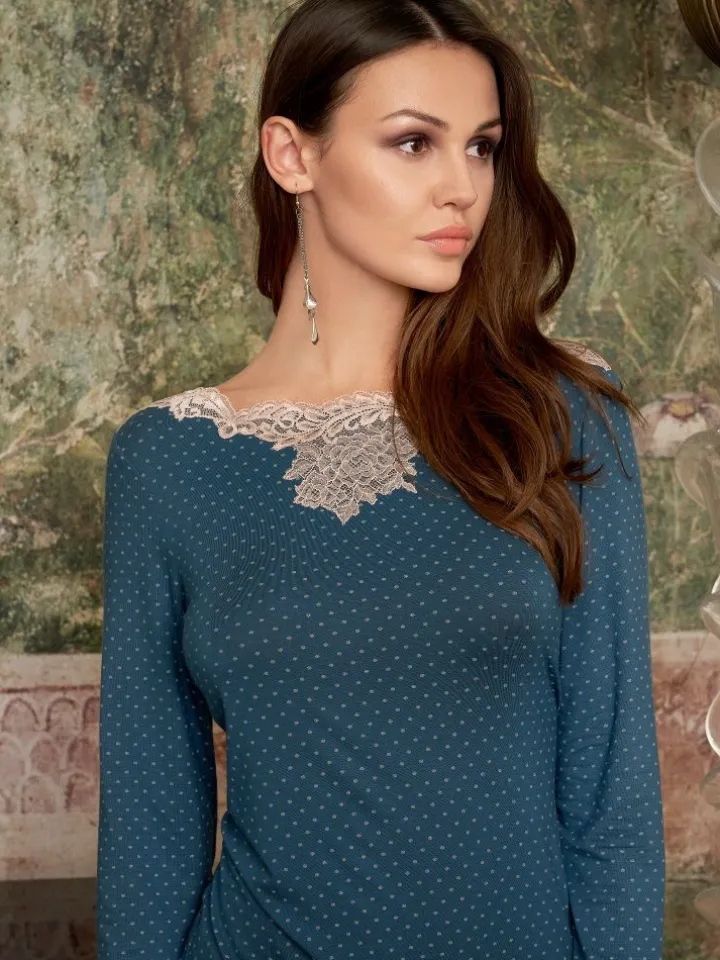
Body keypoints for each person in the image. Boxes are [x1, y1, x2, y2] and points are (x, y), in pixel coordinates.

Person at [96, 0, 666, 958]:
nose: (462, 188)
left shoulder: (563, 418)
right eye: (413, 143)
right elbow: (148, 834)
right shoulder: (168, 461)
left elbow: (614, 804)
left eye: (482, 148)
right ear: (292, 155)